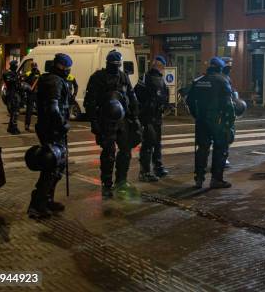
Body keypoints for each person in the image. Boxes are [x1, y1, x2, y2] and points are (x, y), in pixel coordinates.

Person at [84, 50, 141, 199]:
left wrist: (135, 117)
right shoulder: (98, 78)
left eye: (118, 64)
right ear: (108, 63)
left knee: (126, 151)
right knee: (109, 154)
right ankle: (107, 184)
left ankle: (121, 181)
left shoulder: (123, 77)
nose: (116, 67)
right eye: (113, 64)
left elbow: (131, 95)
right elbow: (90, 101)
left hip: (122, 120)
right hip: (106, 121)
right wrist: (94, 122)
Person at [27, 53, 72, 219]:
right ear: (61, 66)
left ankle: (47, 200)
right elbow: (54, 108)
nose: (68, 70)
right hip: (52, 129)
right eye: (66, 67)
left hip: (49, 128)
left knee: (57, 166)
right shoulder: (54, 81)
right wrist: (62, 125)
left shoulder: (49, 78)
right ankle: (37, 204)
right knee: (51, 166)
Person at [186, 57, 235, 189]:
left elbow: (189, 100)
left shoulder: (199, 81)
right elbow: (228, 104)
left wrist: (196, 115)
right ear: (220, 68)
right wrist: (230, 121)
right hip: (217, 120)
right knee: (220, 148)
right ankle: (216, 179)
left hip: (201, 120)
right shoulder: (222, 80)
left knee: (202, 149)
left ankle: (199, 179)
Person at [135, 55, 169, 182]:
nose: (162, 69)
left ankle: (157, 167)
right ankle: (145, 172)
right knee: (148, 144)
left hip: (155, 116)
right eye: (161, 66)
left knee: (156, 143)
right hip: (148, 117)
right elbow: (137, 97)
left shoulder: (157, 79)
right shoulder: (146, 78)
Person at [2, 60, 21, 135]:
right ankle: (13, 128)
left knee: (15, 112)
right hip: (11, 94)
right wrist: (16, 78)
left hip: (15, 93)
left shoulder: (14, 73)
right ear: (12, 65)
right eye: (16, 65)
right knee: (14, 112)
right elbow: (9, 81)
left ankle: (11, 127)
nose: (17, 66)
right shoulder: (8, 73)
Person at [23, 62, 41, 132]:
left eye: (35, 66)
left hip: (37, 94)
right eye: (34, 67)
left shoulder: (39, 74)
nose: (34, 68)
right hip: (30, 94)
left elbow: (41, 82)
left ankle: (39, 125)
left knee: (39, 110)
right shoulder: (28, 74)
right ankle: (27, 125)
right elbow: (24, 84)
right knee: (29, 111)